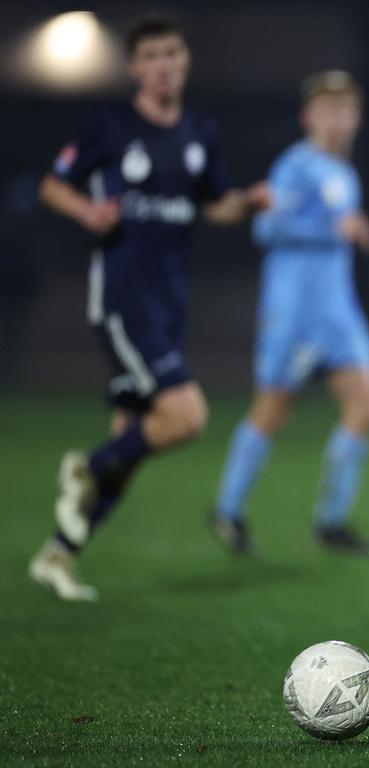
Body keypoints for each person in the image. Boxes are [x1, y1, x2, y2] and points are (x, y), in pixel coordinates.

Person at [28, 13, 268, 602]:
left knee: (132, 446)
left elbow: (213, 204)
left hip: (167, 303)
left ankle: (58, 554)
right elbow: (53, 184)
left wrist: (248, 204)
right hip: (119, 298)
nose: (164, 64)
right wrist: (87, 211)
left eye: (173, 53)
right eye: (152, 55)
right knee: (185, 416)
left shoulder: (199, 133)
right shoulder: (110, 126)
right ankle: (84, 464)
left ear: (185, 62)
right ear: (136, 67)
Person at [210, 71, 369, 556]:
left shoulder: (343, 172)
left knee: (367, 407)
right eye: (328, 109)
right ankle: (226, 511)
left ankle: (330, 522)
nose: (338, 118)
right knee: (273, 409)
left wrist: (354, 231)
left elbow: (335, 228)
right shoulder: (295, 166)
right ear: (309, 116)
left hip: (338, 312)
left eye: (346, 109)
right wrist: (335, 229)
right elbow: (266, 229)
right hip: (295, 311)